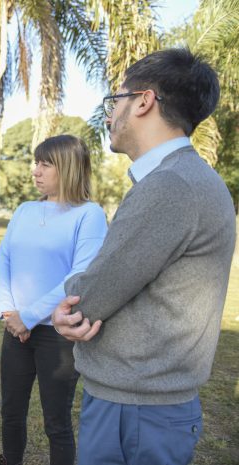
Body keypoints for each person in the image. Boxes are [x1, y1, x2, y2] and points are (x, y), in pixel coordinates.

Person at [51, 48, 235, 465]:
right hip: (149, 405)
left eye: (114, 101)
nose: (110, 115)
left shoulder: (170, 186)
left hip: (135, 410)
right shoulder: (190, 179)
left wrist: (70, 292)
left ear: (144, 101)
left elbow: (89, 298)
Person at [0, 135, 107, 465]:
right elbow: (4, 261)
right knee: (10, 412)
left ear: (68, 168)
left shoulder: (89, 215)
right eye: (35, 162)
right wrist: (9, 313)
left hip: (58, 336)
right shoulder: (25, 210)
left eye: (45, 164)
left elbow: (80, 276)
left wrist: (27, 317)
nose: (35, 171)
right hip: (14, 330)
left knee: (56, 423)